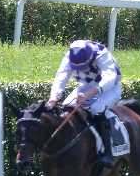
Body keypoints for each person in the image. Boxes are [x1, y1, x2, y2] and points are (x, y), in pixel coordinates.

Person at [46, 39, 122, 167]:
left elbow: (109, 77)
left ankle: (108, 153)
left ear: (90, 57)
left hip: (110, 87)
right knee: (66, 106)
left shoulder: (101, 53)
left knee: (96, 108)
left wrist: (89, 94)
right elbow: (61, 77)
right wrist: (53, 98)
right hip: (86, 86)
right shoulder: (70, 55)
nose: (80, 69)